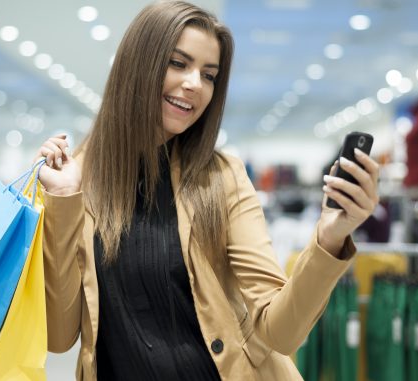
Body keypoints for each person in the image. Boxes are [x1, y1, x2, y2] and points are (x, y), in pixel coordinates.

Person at [34, 1, 379, 380]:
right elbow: (60, 335)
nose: (195, 84)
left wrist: (330, 239)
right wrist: (64, 202)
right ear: (138, 64)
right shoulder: (73, 180)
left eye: (209, 75)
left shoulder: (222, 177)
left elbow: (280, 332)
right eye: (178, 63)